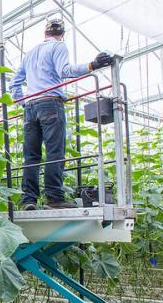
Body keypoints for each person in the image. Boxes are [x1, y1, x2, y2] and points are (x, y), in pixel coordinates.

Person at [10, 18, 114, 210]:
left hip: (31, 107)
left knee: (31, 156)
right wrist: (93, 65)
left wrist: (24, 103)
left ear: (45, 33)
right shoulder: (59, 46)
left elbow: (14, 84)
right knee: (54, 152)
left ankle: (28, 200)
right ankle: (54, 199)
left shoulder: (30, 54)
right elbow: (64, 71)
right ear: (62, 34)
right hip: (51, 103)